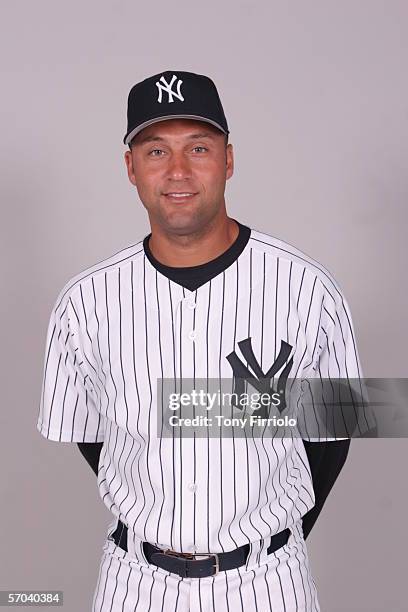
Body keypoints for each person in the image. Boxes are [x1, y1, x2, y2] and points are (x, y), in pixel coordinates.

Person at [37, 70, 368, 611]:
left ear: (229, 159)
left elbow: (334, 437)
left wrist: (267, 536)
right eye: (155, 151)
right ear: (131, 168)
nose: (178, 171)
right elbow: (92, 435)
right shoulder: (84, 303)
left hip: (268, 582)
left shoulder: (309, 289)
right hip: (135, 584)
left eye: (198, 146)